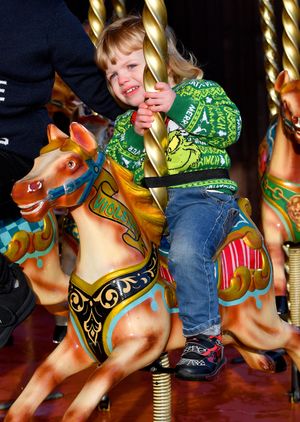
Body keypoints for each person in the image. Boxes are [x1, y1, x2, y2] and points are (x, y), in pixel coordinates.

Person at [96, 15, 242, 381]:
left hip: (202, 197)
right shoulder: (129, 120)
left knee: (186, 250)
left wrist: (176, 106)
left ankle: (204, 338)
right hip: (150, 207)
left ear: (161, 58)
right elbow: (117, 169)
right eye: (113, 74)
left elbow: (229, 128)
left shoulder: (199, 92)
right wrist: (133, 135)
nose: (122, 78)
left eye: (131, 64)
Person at [0, 0, 123, 348]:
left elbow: (91, 82)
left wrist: (144, 113)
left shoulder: (45, 13)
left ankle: (7, 287)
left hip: (15, 151)